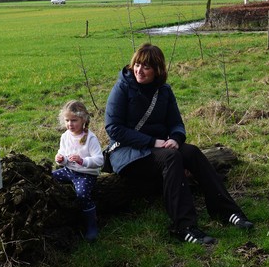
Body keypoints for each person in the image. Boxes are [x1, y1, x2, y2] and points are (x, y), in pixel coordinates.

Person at [104, 43, 253, 244]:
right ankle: (184, 227)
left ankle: (226, 211)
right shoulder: (122, 88)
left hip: (157, 149)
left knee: (192, 152)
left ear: (157, 70)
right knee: (171, 157)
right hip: (127, 152)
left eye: (146, 67)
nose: (139, 70)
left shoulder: (164, 91)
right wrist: (153, 141)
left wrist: (175, 138)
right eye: (137, 65)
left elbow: (176, 123)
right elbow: (113, 128)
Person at [52, 100, 104, 241]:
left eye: (74, 120)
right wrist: (60, 159)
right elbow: (62, 154)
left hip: (86, 174)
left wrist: (83, 161)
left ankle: (91, 225)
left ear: (83, 120)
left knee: (82, 194)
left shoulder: (90, 138)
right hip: (69, 171)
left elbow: (99, 160)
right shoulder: (65, 136)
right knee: (49, 178)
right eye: (67, 120)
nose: (70, 124)